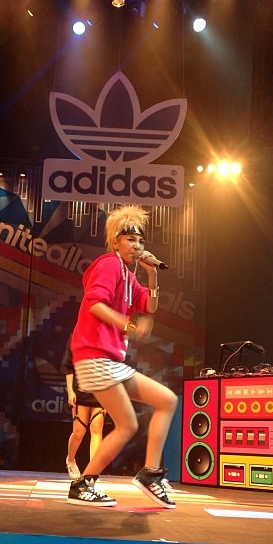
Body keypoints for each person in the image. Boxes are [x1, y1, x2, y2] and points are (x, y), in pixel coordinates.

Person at [67, 205, 178, 508]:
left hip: (111, 362)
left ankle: (148, 474)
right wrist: (128, 325)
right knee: (129, 424)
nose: (137, 246)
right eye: (130, 239)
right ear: (115, 242)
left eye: (140, 241)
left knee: (166, 401)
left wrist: (152, 274)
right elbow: (95, 304)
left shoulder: (129, 276)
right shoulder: (109, 265)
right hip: (94, 356)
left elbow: (150, 306)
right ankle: (86, 484)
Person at [62, 337, 107, 479]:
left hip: (100, 391)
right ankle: (70, 460)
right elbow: (69, 366)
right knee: (79, 432)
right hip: (81, 390)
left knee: (97, 428)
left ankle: (93, 472)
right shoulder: (77, 336)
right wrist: (70, 391)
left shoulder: (106, 338)